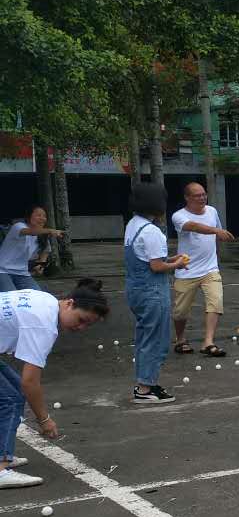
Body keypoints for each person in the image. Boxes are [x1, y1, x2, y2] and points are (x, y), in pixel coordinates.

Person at [0, 279, 110, 488]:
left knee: (14, 392)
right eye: (81, 319)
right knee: (9, 399)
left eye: (87, 325)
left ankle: (2, 452)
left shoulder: (46, 300)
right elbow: (30, 381)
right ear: (69, 303)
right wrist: (44, 420)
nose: (81, 328)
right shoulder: (44, 323)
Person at [124, 182, 186, 406]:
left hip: (135, 289)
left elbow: (148, 258)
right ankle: (145, 388)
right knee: (156, 340)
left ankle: (146, 382)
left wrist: (171, 260)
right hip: (152, 292)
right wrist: (177, 264)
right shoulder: (152, 232)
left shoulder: (133, 225)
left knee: (144, 338)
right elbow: (157, 266)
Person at [170, 182, 235, 358]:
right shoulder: (179, 216)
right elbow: (193, 226)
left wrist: (217, 253)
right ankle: (180, 339)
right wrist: (216, 230)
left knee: (216, 301)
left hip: (210, 269)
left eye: (204, 194)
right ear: (187, 198)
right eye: (197, 195)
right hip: (186, 269)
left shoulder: (212, 211)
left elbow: (217, 235)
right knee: (180, 312)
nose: (202, 198)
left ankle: (208, 342)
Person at [0, 207, 63, 292]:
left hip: (22, 273)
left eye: (44, 216)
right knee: (11, 296)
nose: (42, 218)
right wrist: (50, 230)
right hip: (2, 271)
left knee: (37, 294)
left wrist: (41, 265)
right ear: (29, 217)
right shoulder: (18, 226)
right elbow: (31, 232)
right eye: (38, 215)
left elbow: (46, 250)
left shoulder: (42, 235)